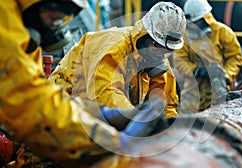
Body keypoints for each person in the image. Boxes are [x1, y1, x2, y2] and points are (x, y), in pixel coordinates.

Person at [0, 0, 165, 167]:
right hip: (49, 125)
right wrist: (112, 142)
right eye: (55, 18)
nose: (56, 27)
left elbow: (36, 91)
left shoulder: (24, 26)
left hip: (58, 115)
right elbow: (28, 104)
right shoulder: (5, 27)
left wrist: (99, 113)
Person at [50, 2, 186, 118]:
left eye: (167, 50)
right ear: (145, 37)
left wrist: (169, 128)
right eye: (157, 46)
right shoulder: (115, 48)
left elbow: (166, 106)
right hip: (64, 109)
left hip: (99, 115)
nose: (160, 53)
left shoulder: (155, 56)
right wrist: (137, 118)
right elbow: (106, 94)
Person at [172, 0, 242, 112]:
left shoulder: (223, 32)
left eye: (195, 22)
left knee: (220, 119)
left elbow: (235, 57)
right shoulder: (184, 36)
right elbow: (179, 60)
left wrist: (226, 75)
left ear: (205, 18)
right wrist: (197, 70)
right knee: (186, 122)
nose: (193, 26)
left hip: (219, 88)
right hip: (193, 90)